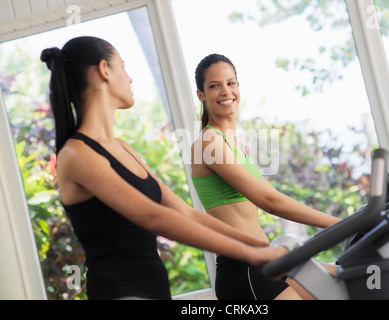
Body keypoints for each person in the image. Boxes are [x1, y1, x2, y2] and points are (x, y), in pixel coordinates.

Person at [40, 36, 288, 300]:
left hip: (154, 290)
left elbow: (186, 213)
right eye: (123, 67)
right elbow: (155, 217)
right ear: (104, 70)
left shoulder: (123, 148)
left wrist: (260, 246)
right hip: (120, 293)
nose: (130, 78)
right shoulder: (77, 154)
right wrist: (252, 254)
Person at [191, 53, 342, 300]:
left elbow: (272, 195)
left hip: (265, 258)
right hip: (245, 272)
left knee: (350, 278)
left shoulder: (230, 143)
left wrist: (346, 224)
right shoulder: (208, 143)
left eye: (231, 83)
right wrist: (340, 225)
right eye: (214, 86)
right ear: (201, 95)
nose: (226, 91)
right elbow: (268, 201)